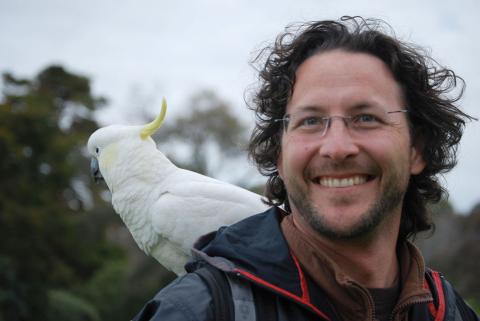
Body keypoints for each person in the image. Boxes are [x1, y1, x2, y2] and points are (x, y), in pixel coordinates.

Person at [133, 16, 478, 321]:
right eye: (310, 120)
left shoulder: (451, 311)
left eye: (366, 118)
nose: (337, 148)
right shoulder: (197, 310)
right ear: (280, 156)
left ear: (416, 149)